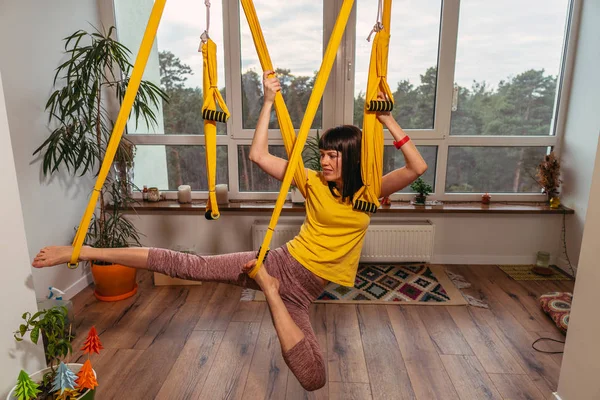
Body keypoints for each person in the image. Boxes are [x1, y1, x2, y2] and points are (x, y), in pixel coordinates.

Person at [32, 71, 428, 391]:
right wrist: (269, 102)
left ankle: (270, 294)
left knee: (315, 379)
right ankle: (82, 251)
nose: (323, 160)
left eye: (332, 155)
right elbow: (257, 155)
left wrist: (386, 120)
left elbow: (416, 168)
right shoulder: (310, 181)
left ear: (351, 157)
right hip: (277, 263)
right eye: (322, 153)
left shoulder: (369, 190)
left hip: (301, 291)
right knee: (184, 264)